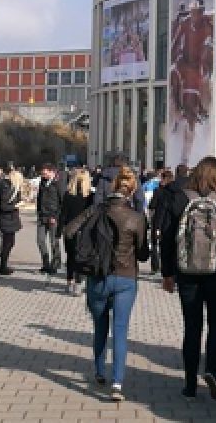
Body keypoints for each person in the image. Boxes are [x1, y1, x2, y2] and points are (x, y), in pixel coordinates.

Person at [160, 156, 216, 401]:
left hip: (187, 271)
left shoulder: (179, 198)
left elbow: (167, 238)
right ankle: (211, 370)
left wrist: (167, 273)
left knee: (192, 326)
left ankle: (189, 383)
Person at [65, 166, 149, 402]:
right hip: (125, 278)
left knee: (100, 327)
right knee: (120, 331)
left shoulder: (96, 210)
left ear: (113, 188)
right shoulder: (136, 218)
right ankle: (118, 383)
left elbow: (69, 231)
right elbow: (143, 254)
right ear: (132, 191)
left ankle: (100, 371)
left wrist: (85, 255)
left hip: (98, 276)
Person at [169, 0, 214, 162]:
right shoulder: (185, 24)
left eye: (199, 12)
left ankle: (202, 109)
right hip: (184, 63)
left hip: (198, 67)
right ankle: (176, 111)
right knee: (173, 78)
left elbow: (211, 45)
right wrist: (174, 58)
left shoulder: (208, 26)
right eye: (194, 12)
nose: (196, 15)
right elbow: (174, 43)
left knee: (205, 82)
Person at [59, 169, 93, 296]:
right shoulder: (90, 197)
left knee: (71, 257)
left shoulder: (68, 195)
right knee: (82, 258)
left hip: (69, 230)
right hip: (85, 231)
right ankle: (78, 283)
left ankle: (69, 282)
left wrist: (59, 231)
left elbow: (63, 215)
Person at [36, 164, 63, 275]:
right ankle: (45, 264)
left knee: (53, 242)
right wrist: (38, 212)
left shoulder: (58, 184)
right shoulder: (42, 182)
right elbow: (39, 198)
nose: (43, 175)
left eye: (45, 173)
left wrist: (56, 217)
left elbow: (62, 202)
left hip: (53, 217)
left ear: (51, 172)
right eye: (42, 173)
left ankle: (55, 263)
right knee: (40, 240)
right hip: (42, 216)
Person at [0, 168, 24, 275]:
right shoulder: (8, 188)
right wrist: (16, 206)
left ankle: (3, 264)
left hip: (9, 219)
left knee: (9, 243)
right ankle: (2, 266)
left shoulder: (10, 187)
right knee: (8, 243)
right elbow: (4, 206)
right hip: (7, 219)